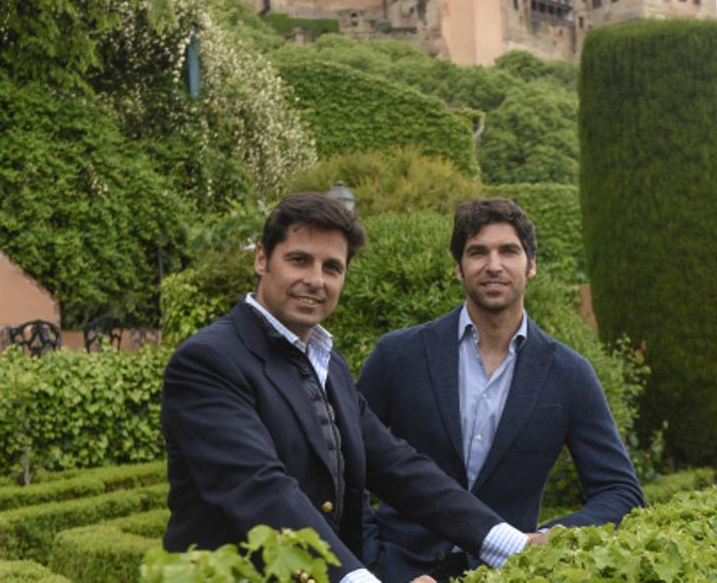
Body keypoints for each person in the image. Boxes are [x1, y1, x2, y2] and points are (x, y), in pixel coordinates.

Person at [161, 193, 537, 583]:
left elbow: (395, 465)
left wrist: (513, 545)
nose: (315, 280)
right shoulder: (209, 360)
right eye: (299, 260)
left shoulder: (328, 364)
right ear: (261, 259)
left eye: (332, 267)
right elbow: (260, 490)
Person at [357, 198, 645, 582]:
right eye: (477, 252)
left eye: (508, 251)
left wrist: (545, 540)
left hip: (510, 575)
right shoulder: (398, 356)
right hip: (401, 572)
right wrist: (376, 563)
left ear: (531, 265)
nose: (493, 265)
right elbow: (343, 466)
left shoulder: (569, 374)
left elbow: (621, 492)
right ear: (459, 268)